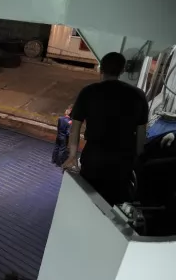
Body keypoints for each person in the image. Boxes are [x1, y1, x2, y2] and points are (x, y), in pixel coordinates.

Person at [63, 52, 149, 206]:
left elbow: (75, 128)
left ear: (100, 68)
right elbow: (141, 133)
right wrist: (137, 158)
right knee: (114, 204)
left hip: (94, 157)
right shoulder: (138, 95)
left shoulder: (88, 92)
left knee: (88, 199)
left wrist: (72, 155)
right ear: (123, 70)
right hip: (122, 160)